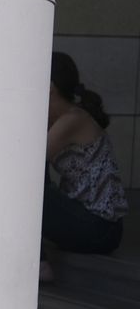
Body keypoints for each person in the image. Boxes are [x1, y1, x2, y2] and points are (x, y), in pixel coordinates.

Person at [43, 51, 127, 280]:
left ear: (49, 87)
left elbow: (27, 161)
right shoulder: (64, 118)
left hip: (99, 228)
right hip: (94, 224)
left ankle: (40, 264)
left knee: (30, 183)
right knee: (34, 180)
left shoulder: (73, 119)